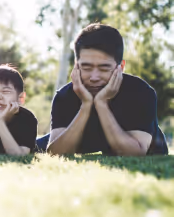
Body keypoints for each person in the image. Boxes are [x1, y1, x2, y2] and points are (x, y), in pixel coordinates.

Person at [47, 23, 168, 156]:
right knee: (35, 144)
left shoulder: (141, 92)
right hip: (87, 141)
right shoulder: (64, 96)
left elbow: (136, 153)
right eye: (86, 68)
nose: (94, 77)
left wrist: (101, 103)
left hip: (149, 149)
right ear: (76, 66)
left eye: (104, 69)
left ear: (120, 67)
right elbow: (55, 153)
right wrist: (86, 105)